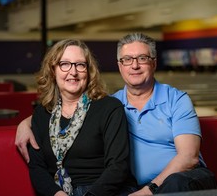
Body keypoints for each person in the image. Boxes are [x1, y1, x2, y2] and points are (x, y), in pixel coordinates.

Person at [16, 33, 217, 195]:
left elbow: (188, 158)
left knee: (175, 184)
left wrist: (149, 190)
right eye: (127, 59)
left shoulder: (177, 100)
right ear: (120, 66)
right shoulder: (114, 102)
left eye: (143, 58)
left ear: (154, 63)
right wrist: (26, 123)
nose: (135, 65)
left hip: (182, 181)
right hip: (138, 187)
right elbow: (64, 116)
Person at [23, 39, 136, 196]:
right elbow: (37, 167)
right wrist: (57, 194)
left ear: (89, 72)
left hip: (104, 191)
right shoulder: (42, 114)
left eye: (80, 65)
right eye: (65, 64)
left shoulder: (109, 108)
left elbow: (118, 166)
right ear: (53, 70)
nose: (73, 72)